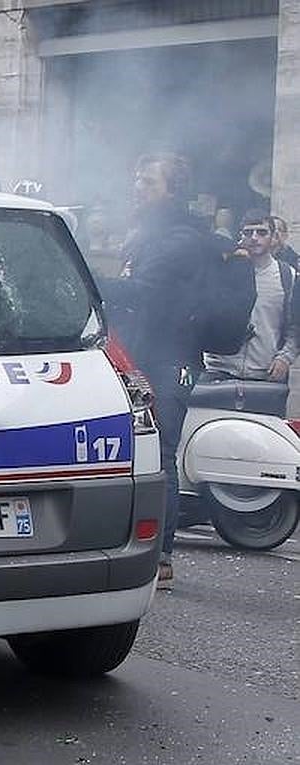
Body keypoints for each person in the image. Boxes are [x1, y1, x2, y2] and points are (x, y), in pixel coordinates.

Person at [101, 153, 206, 589]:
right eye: (137, 180)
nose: (137, 189)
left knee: (160, 450)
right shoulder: (147, 235)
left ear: (171, 191)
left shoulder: (179, 239)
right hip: (141, 353)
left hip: (171, 358)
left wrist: (90, 278)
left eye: (148, 183)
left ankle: (161, 556)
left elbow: (145, 293)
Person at [202, 212, 296, 383]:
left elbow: (295, 327)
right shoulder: (222, 269)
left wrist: (285, 358)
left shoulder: (288, 276)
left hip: (265, 372)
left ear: (273, 237)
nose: (254, 238)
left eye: (261, 232)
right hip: (219, 370)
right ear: (240, 236)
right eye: (248, 232)